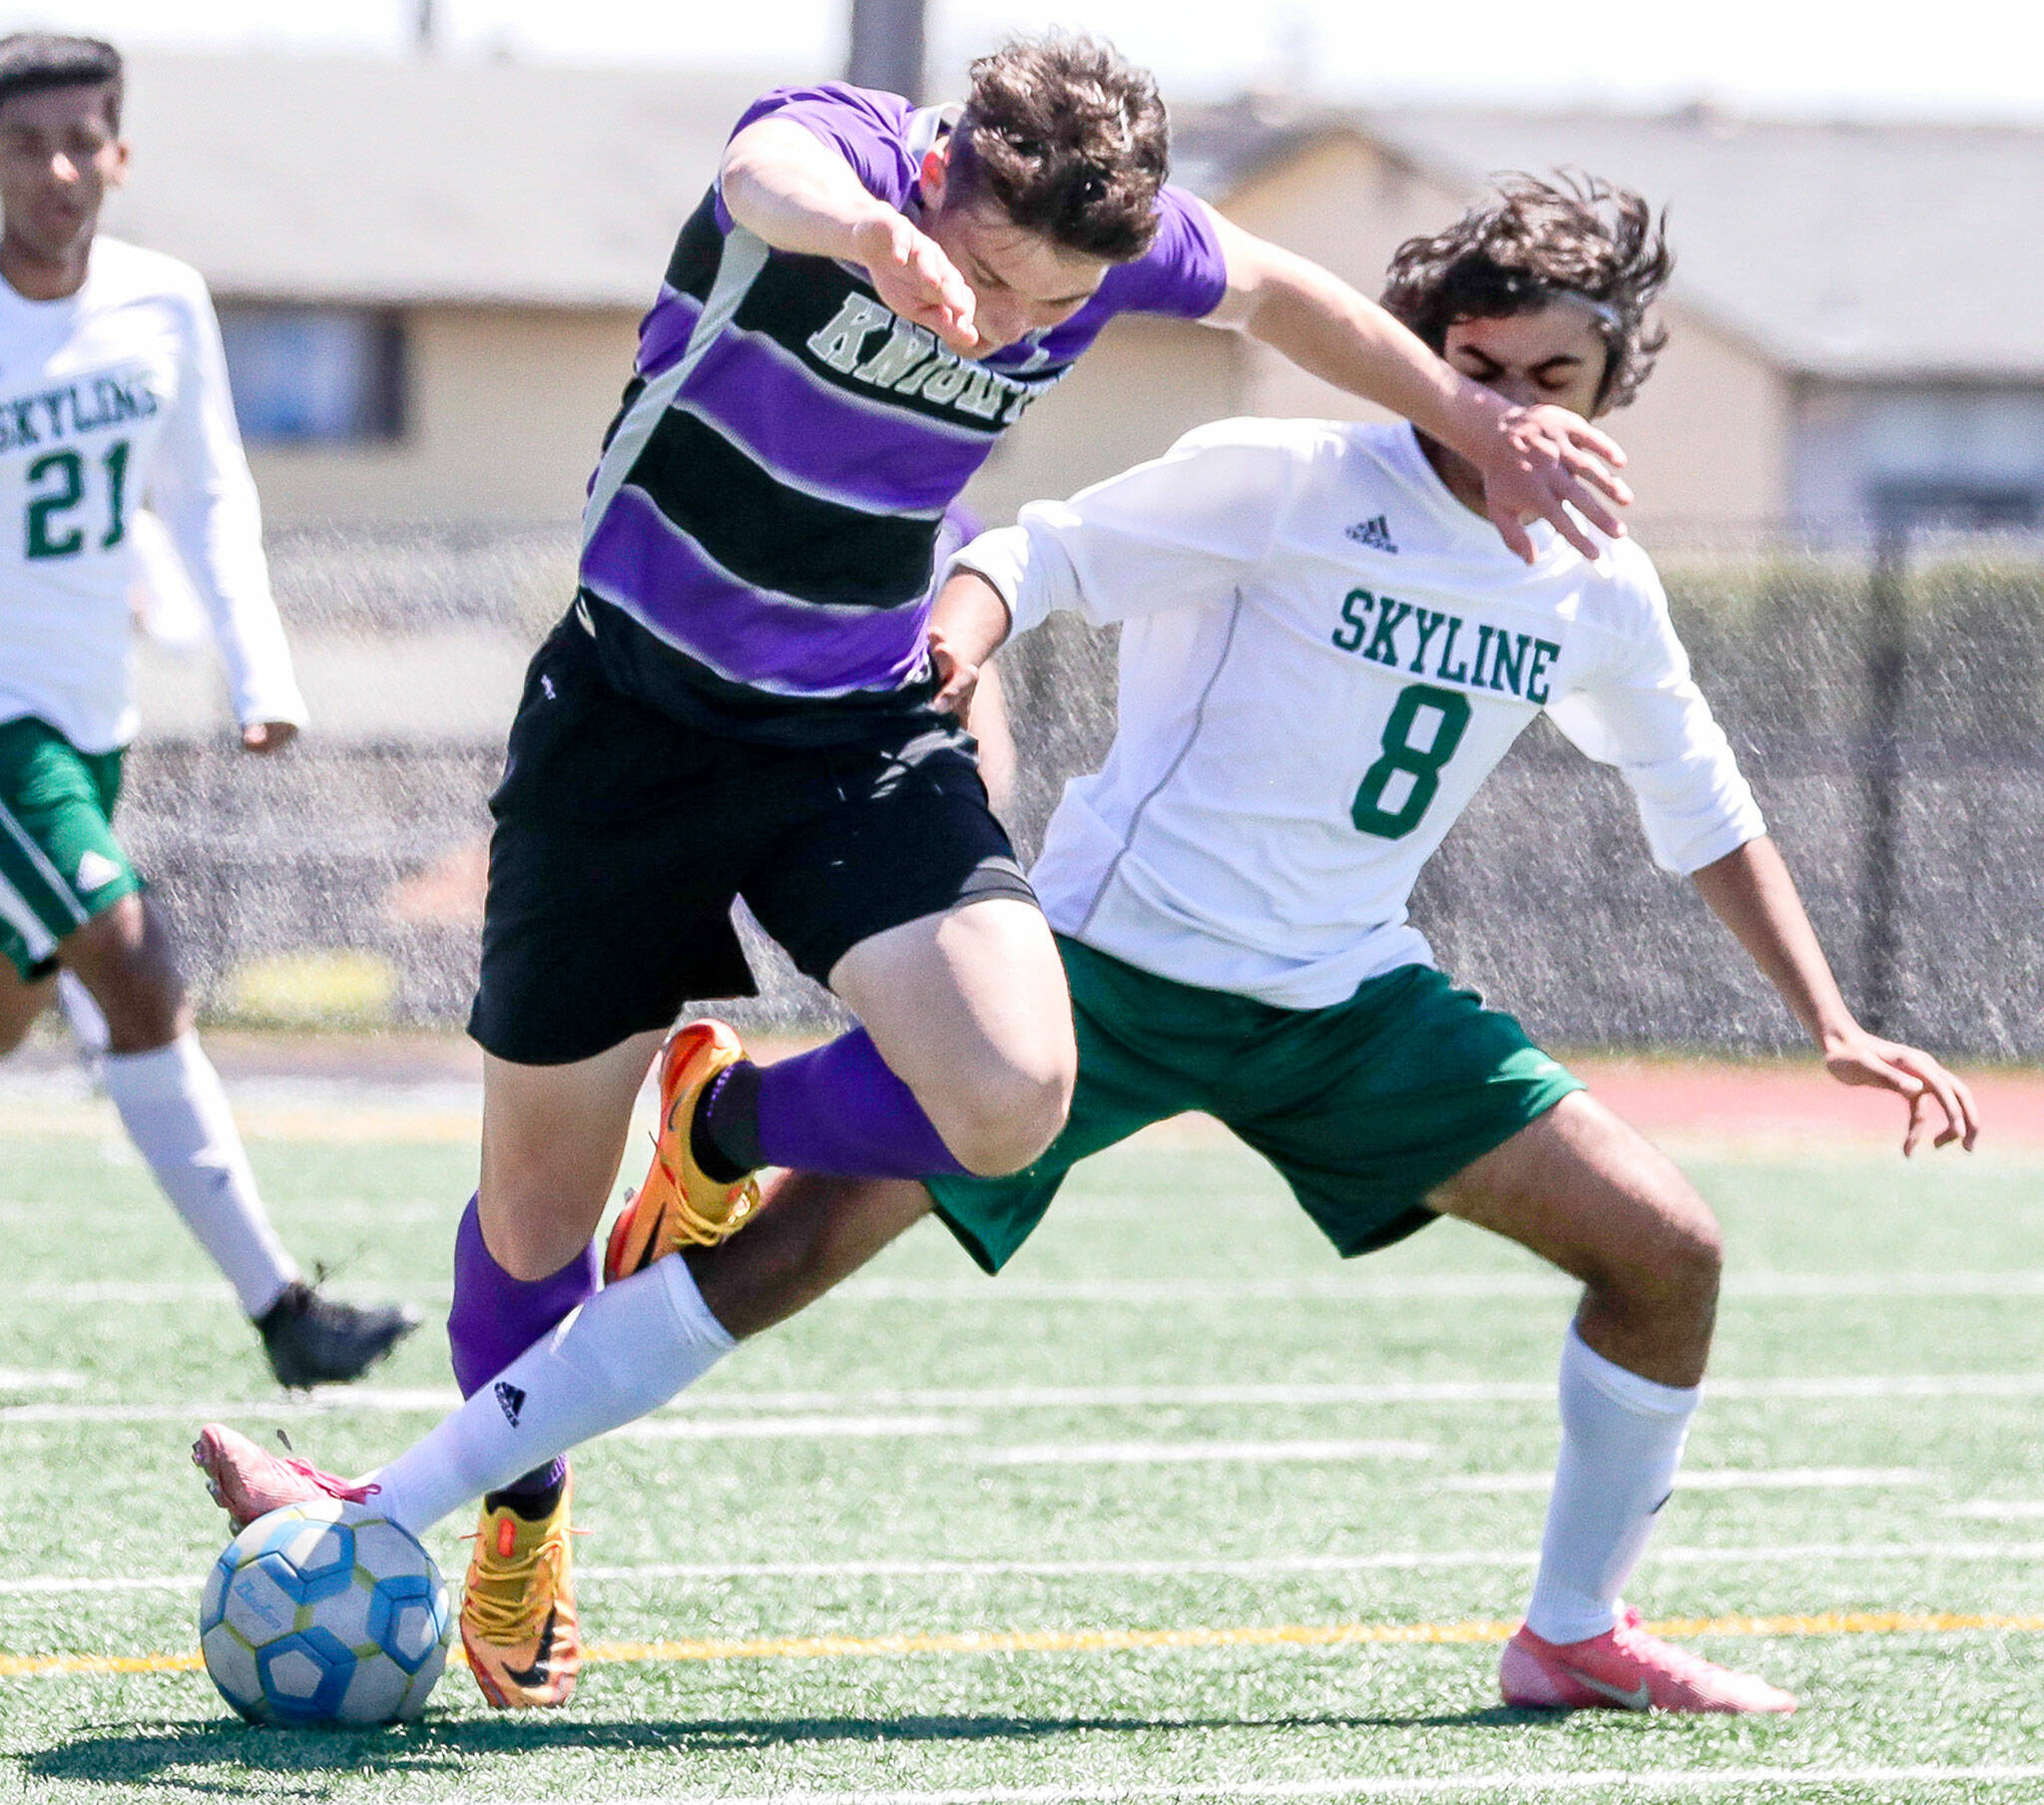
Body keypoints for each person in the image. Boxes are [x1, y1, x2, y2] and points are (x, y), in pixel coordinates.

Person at [202, 38, 1632, 1709]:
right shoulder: (844, 166)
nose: (1031, 332)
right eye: (1010, 286)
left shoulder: (1105, 250)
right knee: (534, 1224)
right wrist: (879, 247)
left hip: (853, 733)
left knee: (1017, 1089)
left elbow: (1277, 292)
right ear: (945, 177)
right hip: (626, 725)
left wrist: (1467, 411)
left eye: (1067, 307)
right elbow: (764, 179)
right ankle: (519, 1508)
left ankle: (722, 1123)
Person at [0, 35, 416, 1387]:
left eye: (80, 140)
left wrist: (259, 665)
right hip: (13, 741)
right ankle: (283, 1309)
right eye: (23, 142)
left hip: (85, 723)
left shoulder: (163, 302)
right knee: (136, 960)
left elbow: (210, 495)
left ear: (121, 154)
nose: (56, 168)